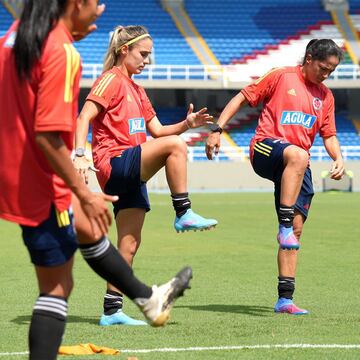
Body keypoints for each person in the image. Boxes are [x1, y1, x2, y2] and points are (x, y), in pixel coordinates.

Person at [0, 1, 192, 359]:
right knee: (57, 286)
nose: (102, 9)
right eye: (95, 1)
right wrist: (82, 188)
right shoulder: (62, 53)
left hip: (14, 170)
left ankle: (148, 300)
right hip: (40, 179)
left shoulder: (15, 37)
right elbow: (47, 135)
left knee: (89, 228)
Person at [74, 24, 217, 326]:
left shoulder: (138, 90)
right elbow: (85, 115)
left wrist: (187, 123)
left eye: (149, 55)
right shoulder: (110, 80)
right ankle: (183, 211)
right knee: (175, 148)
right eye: (143, 54)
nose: (146, 61)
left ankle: (112, 311)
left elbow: (158, 131)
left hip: (133, 168)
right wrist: (79, 153)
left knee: (129, 244)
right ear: (124, 50)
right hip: (115, 163)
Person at [205, 39, 345, 315]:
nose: (326, 74)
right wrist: (217, 129)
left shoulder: (325, 97)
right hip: (266, 147)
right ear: (308, 58)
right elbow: (242, 97)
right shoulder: (281, 75)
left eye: (331, 70)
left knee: (296, 229)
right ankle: (283, 227)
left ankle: (285, 299)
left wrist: (337, 157)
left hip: (297, 165)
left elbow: (329, 135)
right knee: (299, 158)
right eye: (323, 67)